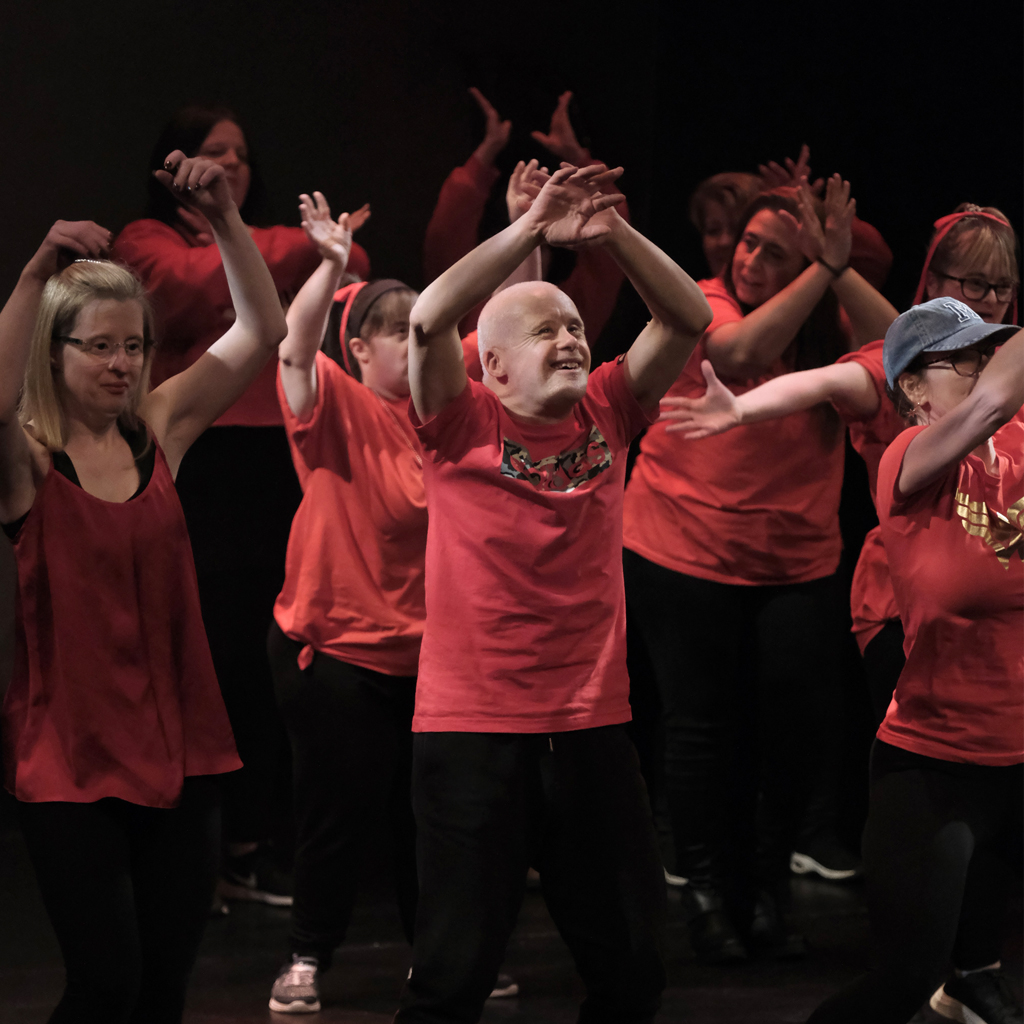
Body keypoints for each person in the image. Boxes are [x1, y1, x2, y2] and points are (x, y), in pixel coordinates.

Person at [394, 163, 712, 1023]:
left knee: (632, 967)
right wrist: (531, 227)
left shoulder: (608, 411)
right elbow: (427, 318)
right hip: (471, 732)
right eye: (544, 330)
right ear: (491, 367)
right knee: (453, 976)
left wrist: (612, 235)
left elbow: (690, 316)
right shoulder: (458, 423)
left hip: (589, 727)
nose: (570, 338)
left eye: (574, 326)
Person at [0, 154, 287, 1022]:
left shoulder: (158, 429)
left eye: (135, 346)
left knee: (162, 990)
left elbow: (258, 332)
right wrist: (31, 274)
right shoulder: (26, 462)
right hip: (72, 758)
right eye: (100, 347)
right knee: (105, 985)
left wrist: (227, 219)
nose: (122, 364)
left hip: (180, 748)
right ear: (56, 351)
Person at [622, 176, 899, 962]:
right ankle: (710, 898)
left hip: (796, 563)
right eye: (749, 243)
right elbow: (739, 351)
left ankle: (767, 893)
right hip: (681, 549)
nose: (749, 260)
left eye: (773, 253)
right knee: (701, 729)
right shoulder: (706, 297)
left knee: (789, 734)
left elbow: (913, 348)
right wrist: (822, 266)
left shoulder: (830, 323)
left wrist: (838, 270)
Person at [112, 105, 370, 903]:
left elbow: (355, 257)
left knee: (275, 652)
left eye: (242, 154)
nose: (230, 165)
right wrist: (288, 251)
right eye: (213, 152)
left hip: (274, 462)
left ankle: (263, 835)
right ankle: (215, 842)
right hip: (203, 459)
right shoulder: (141, 240)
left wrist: (258, 245)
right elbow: (181, 290)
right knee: (214, 652)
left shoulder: (248, 241)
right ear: (176, 162)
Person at [663, 202, 1019, 727]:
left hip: (996, 589)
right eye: (973, 284)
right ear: (935, 280)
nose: (989, 301)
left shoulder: (1008, 377)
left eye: (1001, 287)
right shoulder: (911, 374)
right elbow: (827, 381)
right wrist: (740, 408)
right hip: (906, 599)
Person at [806, 298, 1023, 1024]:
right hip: (937, 765)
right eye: (962, 357)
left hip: (1017, 757)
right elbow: (990, 407)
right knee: (904, 981)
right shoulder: (909, 459)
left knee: (977, 961)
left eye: (985, 351)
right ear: (913, 390)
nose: (982, 366)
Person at [423, 88, 630, 343]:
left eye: (537, 247)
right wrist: (486, 154)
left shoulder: (570, 313)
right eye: (519, 244)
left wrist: (577, 157)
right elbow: (445, 239)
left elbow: (611, 238)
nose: (526, 253)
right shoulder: (468, 310)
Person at [689, 145, 893, 287]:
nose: (724, 241)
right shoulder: (710, 297)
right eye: (713, 230)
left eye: (737, 230)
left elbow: (875, 260)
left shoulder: (812, 301)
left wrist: (811, 212)